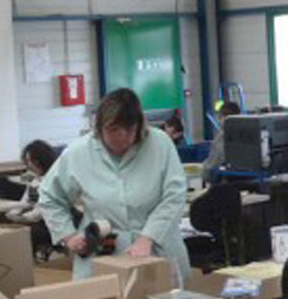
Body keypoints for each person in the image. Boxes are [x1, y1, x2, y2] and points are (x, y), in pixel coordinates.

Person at [38, 88, 190, 281]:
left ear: (140, 126)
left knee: (161, 291)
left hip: (158, 246)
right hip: (103, 252)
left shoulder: (159, 144)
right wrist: (68, 236)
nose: (123, 137)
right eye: (114, 130)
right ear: (99, 128)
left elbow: (175, 195)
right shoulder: (79, 152)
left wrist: (148, 237)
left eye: (130, 129)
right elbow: (49, 196)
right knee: (103, 291)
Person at [5, 140, 57, 250]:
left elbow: (41, 211)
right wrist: (12, 213)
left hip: (49, 225)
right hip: (34, 219)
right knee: (3, 222)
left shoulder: (54, 180)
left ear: (41, 160)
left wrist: (22, 218)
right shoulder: (34, 178)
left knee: (24, 233)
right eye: (27, 161)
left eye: (31, 161)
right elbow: (25, 201)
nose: (29, 165)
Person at [201, 101, 241, 172]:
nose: (219, 121)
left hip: (225, 177)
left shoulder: (222, 137)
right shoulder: (246, 133)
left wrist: (202, 169)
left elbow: (211, 165)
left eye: (220, 117)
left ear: (224, 117)